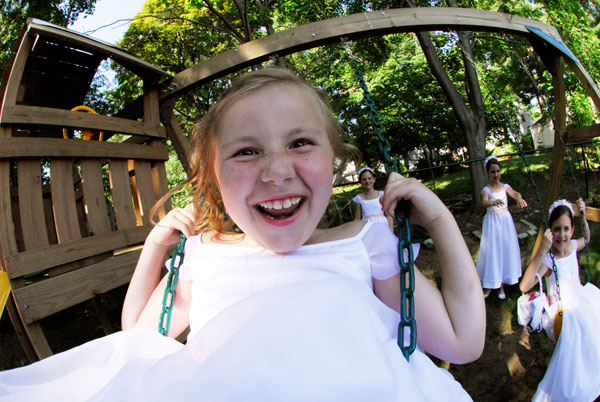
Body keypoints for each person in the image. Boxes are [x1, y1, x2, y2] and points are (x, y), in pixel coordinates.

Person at [0, 68, 485, 401]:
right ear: (212, 177)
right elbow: (137, 341)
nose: (276, 172)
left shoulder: (365, 241)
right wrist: (155, 249)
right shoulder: (205, 255)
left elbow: (463, 343)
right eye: (246, 152)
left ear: (333, 157)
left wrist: (440, 220)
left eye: (300, 142)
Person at [520, 198, 600, 402]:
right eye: (557, 229)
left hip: (581, 297)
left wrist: (583, 217)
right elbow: (524, 286)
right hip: (563, 309)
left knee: (592, 328)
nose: (562, 235)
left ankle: (592, 370)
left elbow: (588, 238)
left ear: (572, 230)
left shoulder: (573, 245)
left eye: (566, 229)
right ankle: (575, 383)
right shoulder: (548, 260)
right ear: (550, 231)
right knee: (578, 332)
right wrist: (542, 250)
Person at [476, 156, 527, 299]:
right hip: (492, 222)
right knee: (492, 251)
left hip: (505, 221)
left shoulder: (505, 186)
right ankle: (489, 285)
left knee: (503, 251)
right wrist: (492, 203)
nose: (496, 174)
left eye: (498, 171)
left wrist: (518, 198)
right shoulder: (486, 189)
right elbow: (484, 202)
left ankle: (501, 286)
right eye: (493, 172)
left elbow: (514, 193)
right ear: (488, 173)